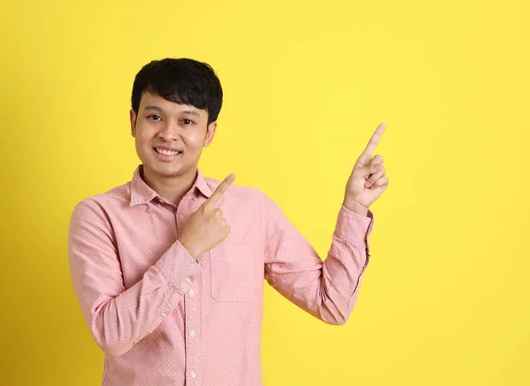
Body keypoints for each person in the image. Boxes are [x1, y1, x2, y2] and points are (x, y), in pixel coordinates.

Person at [67, 58, 388, 385]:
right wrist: (187, 248)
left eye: (187, 121)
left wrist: (354, 207)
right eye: (154, 117)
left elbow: (331, 304)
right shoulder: (99, 215)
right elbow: (112, 335)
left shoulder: (251, 210)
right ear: (134, 122)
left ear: (210, 133)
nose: (168, 134)